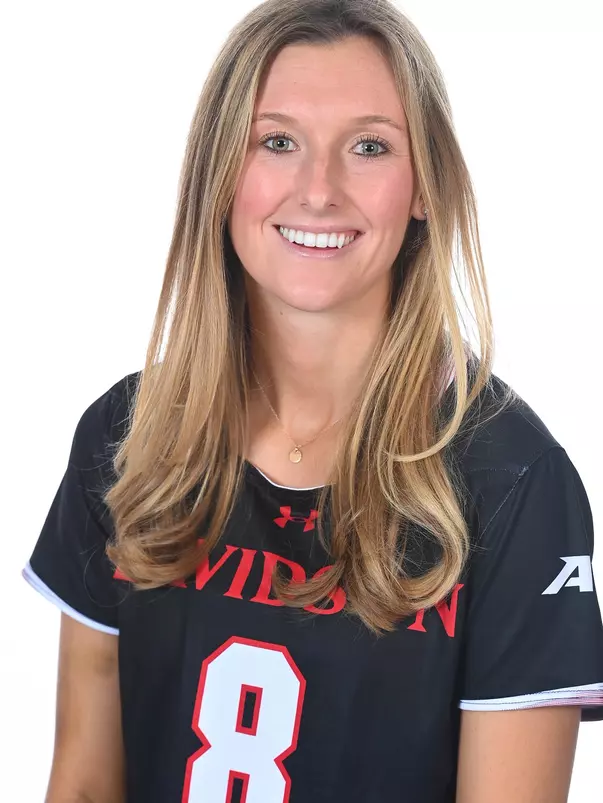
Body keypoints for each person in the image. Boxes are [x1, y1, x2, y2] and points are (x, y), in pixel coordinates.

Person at [22, 1, 603, 801]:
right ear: (221, 172)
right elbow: (84, 784)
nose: (318, 189)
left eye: (368, 146)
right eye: (277, 141)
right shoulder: (126, 437)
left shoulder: (513, 483)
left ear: (425, 186)